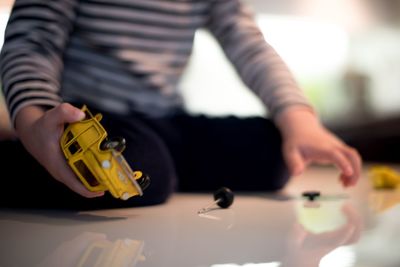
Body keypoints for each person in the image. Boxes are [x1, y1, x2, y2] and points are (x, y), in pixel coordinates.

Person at [0, 0, 361, 209]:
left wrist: (298, 119)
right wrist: (34, 120)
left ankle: (165, 170)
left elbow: (247, 43)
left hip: (165, 117)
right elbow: (32, 40)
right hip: (88, 117)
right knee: (145, 171)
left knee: (273, 153)